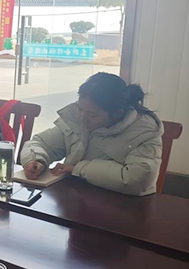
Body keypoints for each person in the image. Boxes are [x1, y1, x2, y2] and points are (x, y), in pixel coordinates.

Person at [20, 73, 163, 196]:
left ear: (117, 114)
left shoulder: (144, 131)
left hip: (121, 207)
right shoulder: (77, 118)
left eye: (92, 115)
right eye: (80, 108)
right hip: (73, 199)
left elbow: (136, 180)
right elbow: (40, 143)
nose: (82, 118)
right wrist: (35, 160)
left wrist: (78, 169)